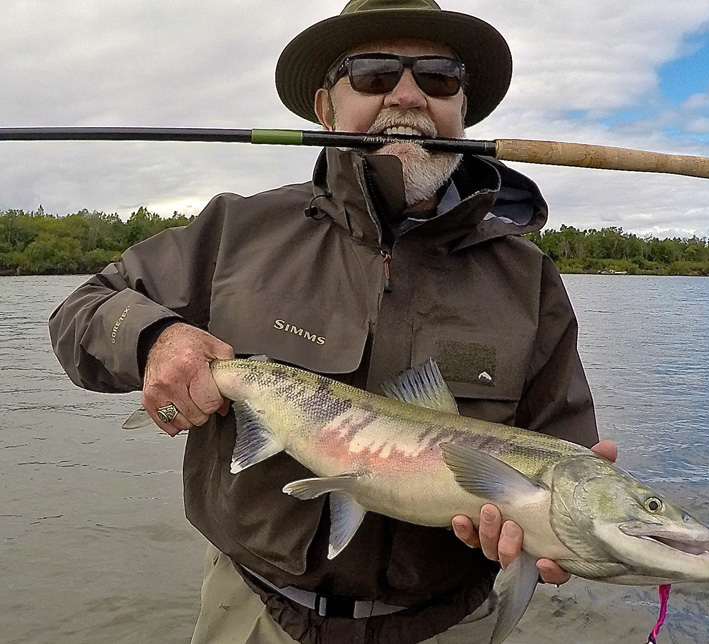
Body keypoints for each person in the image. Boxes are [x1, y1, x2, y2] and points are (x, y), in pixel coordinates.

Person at [49, 1, 616, 642]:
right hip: (251, 612)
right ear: (326, 108)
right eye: (374, 74)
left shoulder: (530, 278)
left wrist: (558, 536)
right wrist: (156, 337)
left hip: (446, 623)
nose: (408, 95)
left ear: (463, 109)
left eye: (439, 77)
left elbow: (566, 456)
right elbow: (81, 311)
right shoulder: (235, 231)